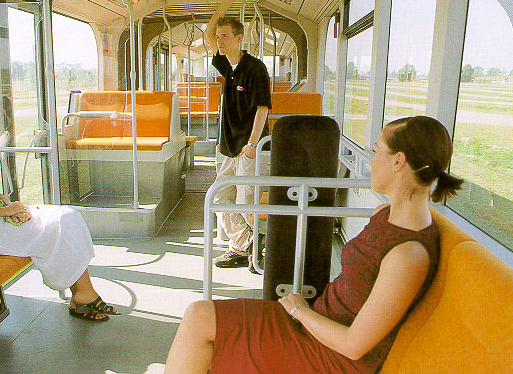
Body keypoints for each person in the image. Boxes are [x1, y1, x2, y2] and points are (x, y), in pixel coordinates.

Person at [165, 116, 464, 373]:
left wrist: (299, 311)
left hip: (330, 358)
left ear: (399, 161)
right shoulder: (383, 214)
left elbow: (354, 346)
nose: (371, 162)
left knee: (199, 322)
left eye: (376, 152)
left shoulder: (408, 254)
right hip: (318, 323)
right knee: (198, 316)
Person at [0, 89, 119, 322]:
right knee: (53, 230)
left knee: (69, 216)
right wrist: (5, 211)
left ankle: (82, 294)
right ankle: (83, 295)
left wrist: (14, 208)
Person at [205, 0, 272, 268]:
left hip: (248, 146)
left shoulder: (255, 68)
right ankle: (245, 245)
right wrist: (227, 1)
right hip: (228, 146)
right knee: (221, 197)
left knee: (246, 200)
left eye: (225, 36)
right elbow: (207, 34)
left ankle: (256, 247)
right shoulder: (226, 66)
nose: (219, 41)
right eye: (219, 37)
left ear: (239, 38)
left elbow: (262, 108)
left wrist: (253, 144)